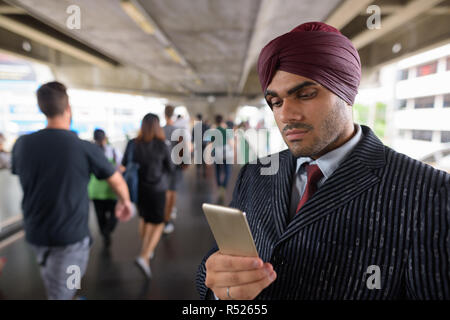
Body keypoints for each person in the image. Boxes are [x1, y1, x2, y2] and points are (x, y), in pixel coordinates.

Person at [196, 22, 450, 300]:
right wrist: (220, 289)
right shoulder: (255, 174)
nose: (286, 115)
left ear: (347, 92)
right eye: (276, 102)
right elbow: (216, 266)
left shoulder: (429, 194)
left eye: (305, 94)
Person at [11, 82, 132, 300]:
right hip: (70, 238)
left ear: (42, 109)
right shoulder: (84, 147)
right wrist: (125, 202)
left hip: (36, 232)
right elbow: (116, 180)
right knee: (66, 287)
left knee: (52, 274)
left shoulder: (22, 144)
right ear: (68, 109)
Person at [122, 113, 174, 278]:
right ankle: (144, 256)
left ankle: (146, 249)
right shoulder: (162, 144)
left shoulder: (133, 144)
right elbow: (170, 168)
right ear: (157, 126)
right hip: (158, 189)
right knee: (158, 222)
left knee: (144, 218)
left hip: (139, 189)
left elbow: (124, 164)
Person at [88, 129, 123, 248]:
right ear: (105, 138)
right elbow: (120, 168)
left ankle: (104, 233)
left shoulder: (90, 152)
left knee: (100, 215)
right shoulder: (114, 151)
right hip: (111, 189)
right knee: (115, 213)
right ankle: (108, 230)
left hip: (95, 190)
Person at [162, 105, 183, 234]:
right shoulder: (178, 131)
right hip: (175, 167)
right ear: (173, 115)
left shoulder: (159, 130)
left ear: (164, 115)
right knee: (172, 192)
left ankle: (166, 216)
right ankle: (168, 218)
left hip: (162, 167)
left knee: (165, 192)